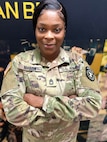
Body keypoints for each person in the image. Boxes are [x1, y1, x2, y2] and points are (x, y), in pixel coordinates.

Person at [1, 0, 102, 142]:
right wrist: (68, 108)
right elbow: (12, 112)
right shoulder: (20, 63)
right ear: (35, 29)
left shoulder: (77, 63)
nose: (49, 36)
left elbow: (93, 105)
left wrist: (41, 102)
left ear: (64, 30)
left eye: (56, 29)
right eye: (42, 29)